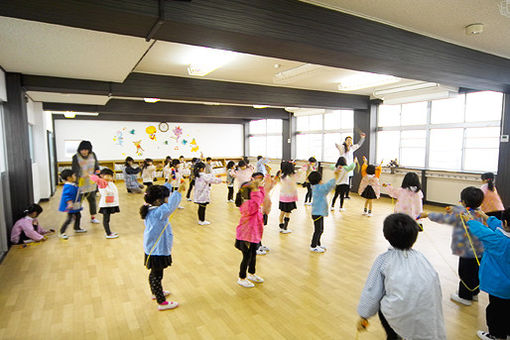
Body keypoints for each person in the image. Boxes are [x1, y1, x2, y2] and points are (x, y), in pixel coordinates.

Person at [357, 213, 446, 340]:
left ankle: (394, 336)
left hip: (398, 313)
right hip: (427, 312)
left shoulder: (383, 260)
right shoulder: (422, 258)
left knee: (383, 305)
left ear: (386, 235)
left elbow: (372, 291)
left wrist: (364, 315)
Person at [421, 186, 485, 306]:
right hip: (480, 251)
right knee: (475, 273)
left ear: (464, 202)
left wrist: (428, 215)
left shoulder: (461, 215)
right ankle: (474, 293)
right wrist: (454, 209)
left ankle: (464, 297)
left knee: (465, 274)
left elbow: (443, 218)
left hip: (466, 252)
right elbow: (464, 210)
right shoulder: (480, 212)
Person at [464, 211, 510, 340]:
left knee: (495, 311)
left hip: (498, 287)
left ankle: (496, 335)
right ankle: (507, 331)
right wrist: (484, 216)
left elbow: (481, 230)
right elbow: (497, 224)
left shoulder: (496, 239)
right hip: (508, 289)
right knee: (507, 310)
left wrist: (470, 220)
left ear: (505, 222)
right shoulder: (501, 234)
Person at [141, 182, 186, 311]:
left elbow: (165, 201)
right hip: (157, 250)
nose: (167, 199)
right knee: (157, 275)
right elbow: (170, 207)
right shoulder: (158, 212)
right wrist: (178, 192)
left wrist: (169, 183)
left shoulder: (152, 209)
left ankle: (156, 292)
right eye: (166, 197)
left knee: (154, 273)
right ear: (158, 201)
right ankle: (162, 302)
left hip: (154, 248)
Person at [235, 178, 265, 288]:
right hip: (245, 235)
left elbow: (260, 198)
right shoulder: (247, 205)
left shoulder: (252, 201)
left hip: (253, 234)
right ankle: (242, 277)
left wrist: (259, 187)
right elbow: (257, 202)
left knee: (253, 255)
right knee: (246, 257)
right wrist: (256, 189)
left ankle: (252, 273)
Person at [308, 168, 340, 253]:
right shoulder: (319, 189)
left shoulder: (315, 187)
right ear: (319, 180)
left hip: (318, 213)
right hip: (317, 213)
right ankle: (313, 245)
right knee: (318, 230)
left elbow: (326, 186)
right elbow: (328, 186)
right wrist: (336, 176)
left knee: (320, 230)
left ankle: (318, 244)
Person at [71, 140, 100, 224]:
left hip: (91, 183)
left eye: (86, 150)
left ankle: (93, 217)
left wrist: (97, 177)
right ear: (79, 149)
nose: (84, 151)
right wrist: (75, 183)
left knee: (92, 200)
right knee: (78, 201)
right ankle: (76, 218)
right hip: (80, 183)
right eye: (82, 150)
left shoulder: (93, 155)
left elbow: (97, 167)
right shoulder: (76, 157)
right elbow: (74, 171)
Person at [89, 168, 120, 239]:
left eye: (110, 176)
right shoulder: (102, 182)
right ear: (102, 176)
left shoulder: (110, 182)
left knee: (107, 219)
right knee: (106, 220)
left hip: (110, 203)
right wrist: (91, 175)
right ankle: (108, 233)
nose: (109, 177)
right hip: (106, 205)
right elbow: (95, 179)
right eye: (107, 176)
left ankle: (109, 232)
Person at [335, 131, 365, 199]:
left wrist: (362, 138)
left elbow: (359, 145)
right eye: (348, 140)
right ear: (345, 141)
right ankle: (340, 194)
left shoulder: (352, 148)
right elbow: (336, 144)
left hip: (350, 168)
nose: (349, 142)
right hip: (343, 168)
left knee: (348, 182)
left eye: (351, 140)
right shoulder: (342, 147)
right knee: (342, 182)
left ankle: (347, 195)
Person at [58, 169, 86, 239]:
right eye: (74, 175)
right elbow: (66, 195)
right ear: (69, 178)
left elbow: (77, 190)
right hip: (70, 206)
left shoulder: (72, 184)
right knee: (69, 219)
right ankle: (62, 232)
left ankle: (77, 228)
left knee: (78, 216)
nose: (75, 176)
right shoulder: (67, 186)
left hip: (75, 204)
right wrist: (69, 203)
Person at [252, 170, 274, 256]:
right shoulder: (253, 189)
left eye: (262, 179)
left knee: (260, 229)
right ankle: (255, 248)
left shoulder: (262, 188)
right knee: (256, 230)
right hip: (255, 214)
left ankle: (259, 245)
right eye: (259, 179)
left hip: (262, 212)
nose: (262, 181)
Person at [278, 161, 299, 234]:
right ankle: (285, 228)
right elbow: (301, 171)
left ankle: (281, 226)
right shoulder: (292, 176)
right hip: (289, 198)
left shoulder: (282, 175)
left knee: (282, 212)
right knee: (287, 213)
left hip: (282, 197)